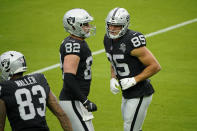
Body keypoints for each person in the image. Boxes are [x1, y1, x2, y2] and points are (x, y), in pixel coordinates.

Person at [103, 7, 161, 131]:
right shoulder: (107, 39)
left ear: (124, 25)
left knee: (130, 127)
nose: (112, 29)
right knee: (131, 127)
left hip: (140, 92)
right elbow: (113, 60)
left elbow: (155, 66)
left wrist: (134, 80)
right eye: (110, 25)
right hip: (126, 92)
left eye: (116, 26)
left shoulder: (132, 40)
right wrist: (113, 77)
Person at [0, 51, 72, 131]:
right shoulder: (39, 79)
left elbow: (0, 124)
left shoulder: (4, 88)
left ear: (8, 68)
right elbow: (61, 114)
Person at [59, 8, 97, 131]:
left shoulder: (78, 42)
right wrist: (84, 101)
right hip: (73, 100)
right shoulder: (73, 44)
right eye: (85, 24)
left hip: (76, 99)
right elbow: (69, 77)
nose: (89, 27)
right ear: (74, 26)